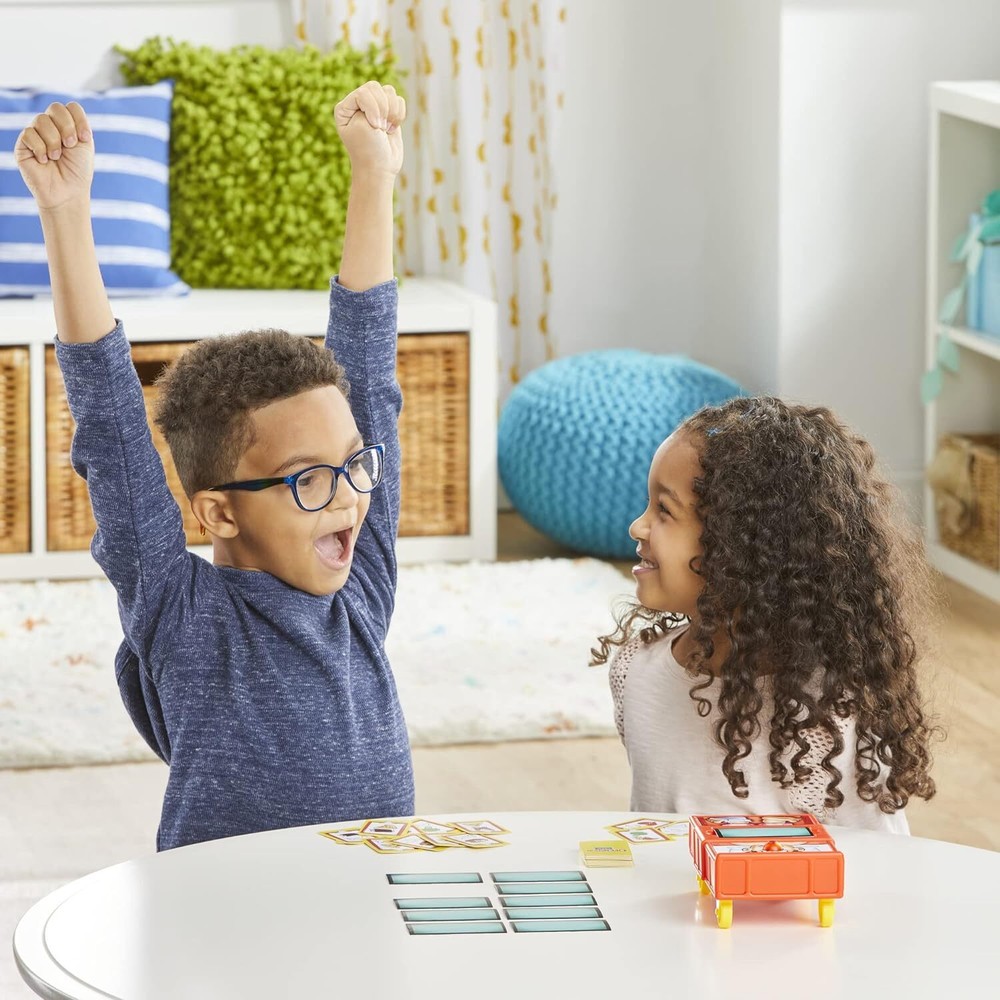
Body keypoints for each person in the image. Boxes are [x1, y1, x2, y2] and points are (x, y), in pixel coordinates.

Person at [14, 81, 413, 850]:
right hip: (218, 911)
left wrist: (374, 174)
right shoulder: (183, 614)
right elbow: (114, 434)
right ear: (219, 512)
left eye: (353, 466)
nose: (348, 499)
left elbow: (368, 374)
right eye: (308, 479)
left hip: (367, 904)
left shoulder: (361, 590)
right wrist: (64, 214)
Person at [591, 397, 942, 833]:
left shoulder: (831, 715)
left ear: (742, 547)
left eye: (665, 510)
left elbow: (880, 860)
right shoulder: (635, 670)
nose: (637, 527)